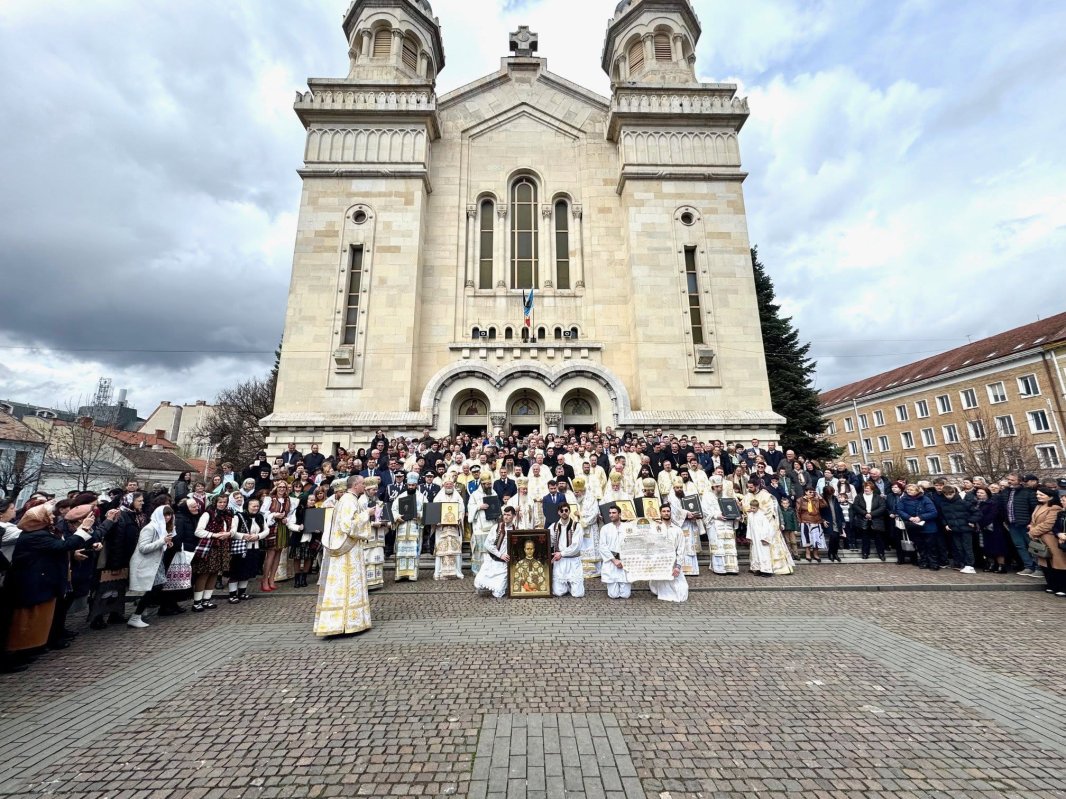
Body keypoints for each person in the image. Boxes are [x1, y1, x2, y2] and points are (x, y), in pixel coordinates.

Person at [2, 503, 96, 672]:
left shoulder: (42, 533)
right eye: (49, 515)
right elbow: (62, 546)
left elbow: (61, 547)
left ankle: (28, 649)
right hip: (30, 583)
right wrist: (84, 528)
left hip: (39, 581)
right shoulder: (35, 535)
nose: (53, 517)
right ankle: (15, 653)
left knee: (36, 619)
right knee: (25, 620)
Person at [314, 476, 372, 637]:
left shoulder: (349, 499)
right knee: (347, 581)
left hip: (350, 548)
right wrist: (367, 513)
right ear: (355, 485)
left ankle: (350, 621)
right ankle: (346, 622)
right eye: (363, 483)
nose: (365, 486)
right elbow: (348, 525)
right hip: (347, 549)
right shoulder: (349, 500)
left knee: (348, 582)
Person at [126, 506, 176, 628]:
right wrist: (162, 542)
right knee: (155, 587)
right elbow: (143, 548)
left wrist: (167, 544)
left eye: (169, 515)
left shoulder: (163, 528)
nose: (168, 518)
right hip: (147, 563)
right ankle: (137, 614)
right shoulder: (149, 528)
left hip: (156, 562)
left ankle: (141, 610)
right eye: (165, 515)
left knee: (156, 587)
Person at [192, 494, 233, 611]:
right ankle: (197, 602)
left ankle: (206, 600)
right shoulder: (207, 514)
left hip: (222, 546)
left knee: (215, 572)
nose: (222, 504)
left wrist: (228, 534)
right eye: (220, 502)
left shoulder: (227, 515)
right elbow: (198, 531)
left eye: (225, 502)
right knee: (204, 573)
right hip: (210, 546)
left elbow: (230, 529)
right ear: (215, 502)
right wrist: (213, 535)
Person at [997, 473, 1040, 577]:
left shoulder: (1028, 492)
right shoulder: (1005, 492)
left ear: (1020, 481)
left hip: (1026, 524)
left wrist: (1032, 523)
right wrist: (1005, 520)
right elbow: (1002, 507)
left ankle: (1038, 567)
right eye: (1008, 479)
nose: (1010, 481)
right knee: (1019, 546)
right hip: (1012, 524)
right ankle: (1028, 566)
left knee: (1033, 546)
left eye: (1012, 480)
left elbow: (1035, 508)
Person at [262, 483, 300, 592]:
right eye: (280, 487)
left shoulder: (289, 500)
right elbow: (263, 513)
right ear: (276, 488)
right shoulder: (270, 499)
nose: (282, 489)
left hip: (283, 527)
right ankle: (265, 580)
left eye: (284, 487)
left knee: (278, 552)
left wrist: (286, 520)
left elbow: (291, 515)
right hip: (273, 526)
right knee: (271, 553)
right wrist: (274, 515)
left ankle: (272, 579)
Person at [230, 496, 268, 602]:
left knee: (248, 571)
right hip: (241, 548)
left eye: (257, 506)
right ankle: (232, 594)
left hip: (255, 547)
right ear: (247, 506)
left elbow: (266, 530)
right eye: (253, 506)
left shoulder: (260, 517)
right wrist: (243, 536)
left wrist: (258, 536)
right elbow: (232, 532)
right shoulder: (238, 516)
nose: (256, 508)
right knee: (236, 571)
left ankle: (242, 592)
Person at [1029, 487, 1065, 597]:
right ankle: (1051, 585)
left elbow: (1048, 524)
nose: (1038, 496)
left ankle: (1062, 587)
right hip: (1040, 538)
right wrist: (1032, 528)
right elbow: (1034, 521)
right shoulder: (1039, 506)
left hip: (1051, 539)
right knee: (1045, 563)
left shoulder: (1054, 508)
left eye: (1041, 495)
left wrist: (1033, 532)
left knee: (1058, 563)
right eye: (1037, 494)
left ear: (1050, 496)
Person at [647, 505, 688, 602]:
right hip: (659, 563)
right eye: (664, 511)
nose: (666, 513)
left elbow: (681, 549)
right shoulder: (654, 529)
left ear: (670, 513)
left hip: (673, 563)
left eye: (668, 511)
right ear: (660, 513)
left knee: (682, 593)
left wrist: (677, 567)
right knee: (657, 590)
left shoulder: (677, 530)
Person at [701, 476, 740, 575]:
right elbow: (704, 511)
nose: (720, 488)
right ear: (713, 487)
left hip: (727, 524)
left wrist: (735, 515)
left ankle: (731, 567)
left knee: (729, 545)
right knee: (718, 545)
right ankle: (719, 567)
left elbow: (732, 509)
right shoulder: (707, 496)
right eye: (717, 486)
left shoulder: (726, 496)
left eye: (721, 486)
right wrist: (716, 516)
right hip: (715, 524)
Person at [896, 484, 940, 571]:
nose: (909, 491)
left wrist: (920, 517)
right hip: (914, 526)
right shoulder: (903, 499)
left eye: (911, 490)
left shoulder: (925, 499)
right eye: (908, 489)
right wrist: (909, 517)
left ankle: (933, 563)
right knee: (920, 546)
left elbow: (933, 512)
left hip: (928, 526)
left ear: (917, 491)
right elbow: (899, 510)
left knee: (931, 546)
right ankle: (923, 561)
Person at [474, 506, 515, 599]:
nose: (506, 517)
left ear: (513, 516)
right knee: (479, 583)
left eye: (508, 515)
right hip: (493, 560)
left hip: (505, 565)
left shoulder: (515, 529)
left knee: (498, 593)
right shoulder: (496, 528)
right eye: (504, 514)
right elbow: (487, 544)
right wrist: (500, 555)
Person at [747, 499, 795, 576]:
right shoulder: (750, 515)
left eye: (754, 508)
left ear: (758, 507)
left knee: (764, 554)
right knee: (756, 553)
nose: (752, 510)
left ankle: (767, 570)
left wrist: (766, 538)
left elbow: (767, 527)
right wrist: (749, 536)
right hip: (754, 537)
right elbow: (749, 526)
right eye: (751, 508)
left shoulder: (762, 515)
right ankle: (759, 569)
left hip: (762, 537)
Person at [392, 472, 425, 582]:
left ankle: (412, 574)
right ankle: (400, 574)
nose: (411, 487)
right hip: (402, 526)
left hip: (414, 527)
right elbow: (394, 509)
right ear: (407, 485)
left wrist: (419, 515)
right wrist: (397, 517)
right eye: (409, 485)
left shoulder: (421, 497)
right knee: (400, 552)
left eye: (413, 485)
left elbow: (426, 511)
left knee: (413, 553)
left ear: (416, 485)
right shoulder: (401, 497)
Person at [940, 485, 978, 574]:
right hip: (954, 528)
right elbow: (942, 516)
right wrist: (945, 524)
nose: (949, 496)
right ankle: (964, 564)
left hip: (965, 528)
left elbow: (976, 512)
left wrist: (971, 521)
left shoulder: (963, 502)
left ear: (954, 493)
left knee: (967, 547)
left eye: (950, 494)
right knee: (959, 547)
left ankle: (970, 565)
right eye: (946, 494)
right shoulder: (943, 504)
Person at [432, 476, 464, 580]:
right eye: (447, 484)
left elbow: (461, 511)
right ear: (443, 485)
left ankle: (458, 572)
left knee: (456, 550)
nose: (449, 486)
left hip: (454, 528)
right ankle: (438, 572)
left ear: (453, 485)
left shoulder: (458, 497)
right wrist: (437, 520)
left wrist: (459, 519)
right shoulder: (438, 497)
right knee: (440, 550)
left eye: (450, 484)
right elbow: (434, 511)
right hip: (442, 528)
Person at [467, 475, 499, 576]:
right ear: (482, 484)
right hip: (480, 527)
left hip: (492, 525)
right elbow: (470, 507)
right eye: (487, 484)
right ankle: (479, 571)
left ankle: (491, 570)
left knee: (491, 548)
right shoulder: (475, 495)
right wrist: (479, 507)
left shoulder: (493, 492)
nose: (489, 486)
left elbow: (497, 505)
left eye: (490, 484)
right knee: (480, 551)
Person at [549, 504, 583, 597]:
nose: (564, 512)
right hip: (560, 561)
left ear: (569, 511)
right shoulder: (554, 526)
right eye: (562, 511)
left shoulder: (577, 526)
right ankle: (567, 585)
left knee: (578, 594)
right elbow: (549, 541)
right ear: (558, 512)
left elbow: (576, 546)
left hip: (573, 560)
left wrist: (562, 553)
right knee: (558, 592)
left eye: (566, 510)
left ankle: (571, 584)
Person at [598, 505, 632, 599]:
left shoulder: (628, 527)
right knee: (613, 595)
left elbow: (632, 544)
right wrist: (614, 560)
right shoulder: (605, 528)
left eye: (614, 513)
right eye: (610, 513)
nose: (611, 515)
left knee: (625, 595)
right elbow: (602, 546)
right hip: (611, 561)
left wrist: (623, 559)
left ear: (619, 514)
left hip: (625, 561)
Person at [572, 477, 601, 579]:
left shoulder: (591, 499)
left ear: (583, 491)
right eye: (575, 492)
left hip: (590, 528)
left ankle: (594, 570)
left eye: (578, 492)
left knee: (591, 547)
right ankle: (581, 569)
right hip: (578, 528)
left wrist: (580, 515)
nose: (576, 494)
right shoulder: (575, 499)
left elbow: (594, 513)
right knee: (581, 547)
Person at [851, 482, 887, 561]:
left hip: (876, 520)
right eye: (865, 488)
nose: (866, 489)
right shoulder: (859, 497)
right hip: (863, 519)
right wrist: (865, 513)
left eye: (867, 488)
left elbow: (882, 507)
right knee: (865, 538)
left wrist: (872, 514)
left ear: (872, 489)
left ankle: (881, 553)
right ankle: (865, 553)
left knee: (878, 538)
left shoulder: (878, 497)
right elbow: (855, 506)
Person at [796, 486, 826, 563]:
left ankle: (815, 554)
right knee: (807, 538)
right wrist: (799, 521)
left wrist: (819, 497)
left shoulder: (816, 499)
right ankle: (808, 553)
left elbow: (824, 505)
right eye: (810, 492)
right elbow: (797, 511)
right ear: (806, 492)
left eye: (813, 492)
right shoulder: (800, 500)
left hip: (816, 520)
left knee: (816, 538)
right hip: (806, 521)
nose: (812, 493)